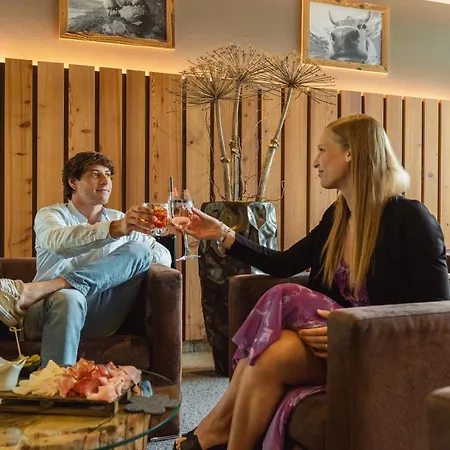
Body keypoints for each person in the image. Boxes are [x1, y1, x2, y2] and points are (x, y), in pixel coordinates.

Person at [173, 114, 450, 450]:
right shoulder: (337, 217)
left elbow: (439, 313)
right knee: (267, 351)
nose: (315, 161)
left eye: (322, 149)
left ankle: (211, 435)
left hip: (379, 352)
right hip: (328, 343)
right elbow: (285, 262)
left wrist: (357, 333)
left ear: (350, 153)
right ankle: (215, 434)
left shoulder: (410, 218)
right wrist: (222, 232)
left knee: (280, 308)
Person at [0, 152, 171, 367]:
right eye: (95, 174)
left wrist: (128, 256)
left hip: (100, 314)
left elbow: (163, 256)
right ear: (73, 182)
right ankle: (55, 382)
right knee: (69, 298)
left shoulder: (121, 218)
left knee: (140, 250)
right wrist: (115, 229)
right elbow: (58, 242)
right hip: (47, 311)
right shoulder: (51, 215)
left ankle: (45, 287)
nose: (105, 181)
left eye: (108, 175)